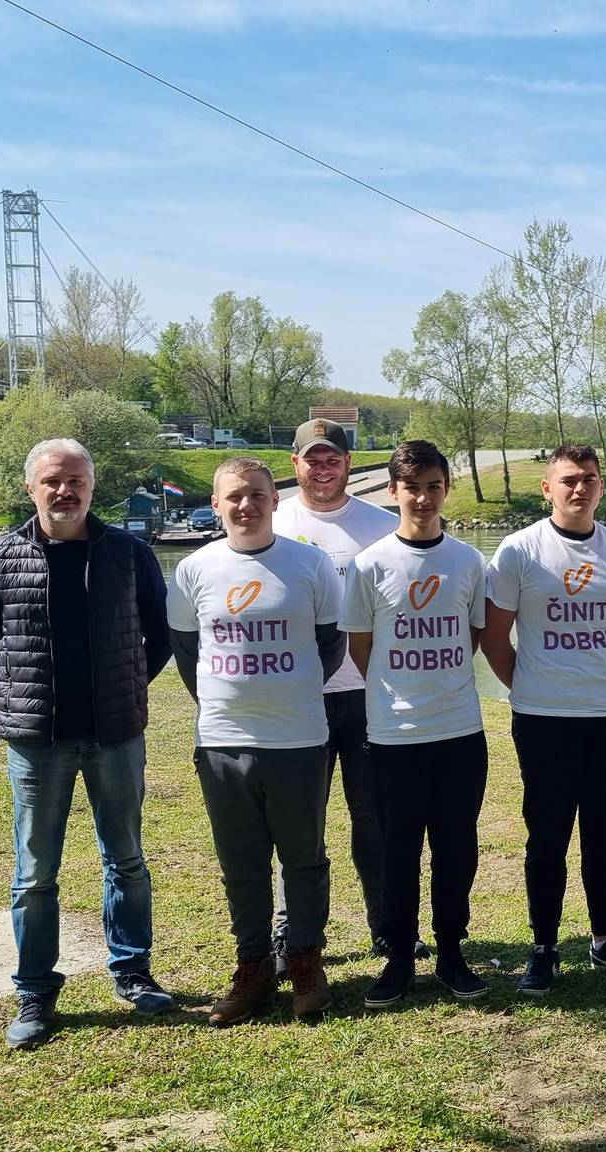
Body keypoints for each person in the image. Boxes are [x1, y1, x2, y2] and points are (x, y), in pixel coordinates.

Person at [0, 438, 175, 1050]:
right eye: (53, 481)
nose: (65, 491)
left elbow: (159, 638)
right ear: (31, 488)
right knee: (34, 873)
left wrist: (122, 689)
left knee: (126, 860)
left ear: (92, 486)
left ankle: (132, 972)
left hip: (116, 735)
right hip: (37, 742)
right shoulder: (1, 556)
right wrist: (27, 693)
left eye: (76, 480)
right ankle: (34, 990)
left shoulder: (129, 555)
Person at [167, 457, 345, 1025]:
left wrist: (288, 691)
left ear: (275, 499)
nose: (246, 505)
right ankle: (253, 968)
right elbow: (188, 653)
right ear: (216, 506)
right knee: (241, 864)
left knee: (303, 860)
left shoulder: (311, 565)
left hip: (298, 739)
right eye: (234, 496)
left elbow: (331, 645)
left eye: (256, 494)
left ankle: (306, 964)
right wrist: (229, 701)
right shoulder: (194, 570)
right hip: (223, 741)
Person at [482, 445, 606, 993]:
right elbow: (495, 638)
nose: (578, 488)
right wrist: (531, 685)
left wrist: (602, 680)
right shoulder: (519, 551)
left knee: (605, 831)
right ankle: (544, 947)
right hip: (543, 718)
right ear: (547, 488)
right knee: (547, 834)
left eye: (588, 479)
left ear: (601, 486)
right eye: (567, 480)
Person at [341, 440, 491, 1007]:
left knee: (456, 848)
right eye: (412, 488)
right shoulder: (370, 564)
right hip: (393, 736)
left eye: (433, 487)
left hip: (459, 732)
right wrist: (398, 690)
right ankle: (399, 958)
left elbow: (472, 635)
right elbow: (361, 647)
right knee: (396, 851)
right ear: (393, 491)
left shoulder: (468, 561)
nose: (423, 499)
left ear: (446, 489)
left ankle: (452, 952)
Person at [270, 417, 409, 967]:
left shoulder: (382, 526)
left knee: (375, 819)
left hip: (369, 696)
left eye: (333, 459)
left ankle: (389, 927)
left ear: (349, 463)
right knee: (299, 824)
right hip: (298, 697)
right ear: (295, 464)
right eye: (313, 459)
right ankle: (295, 935)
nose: (323, 468)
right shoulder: (272, 522)